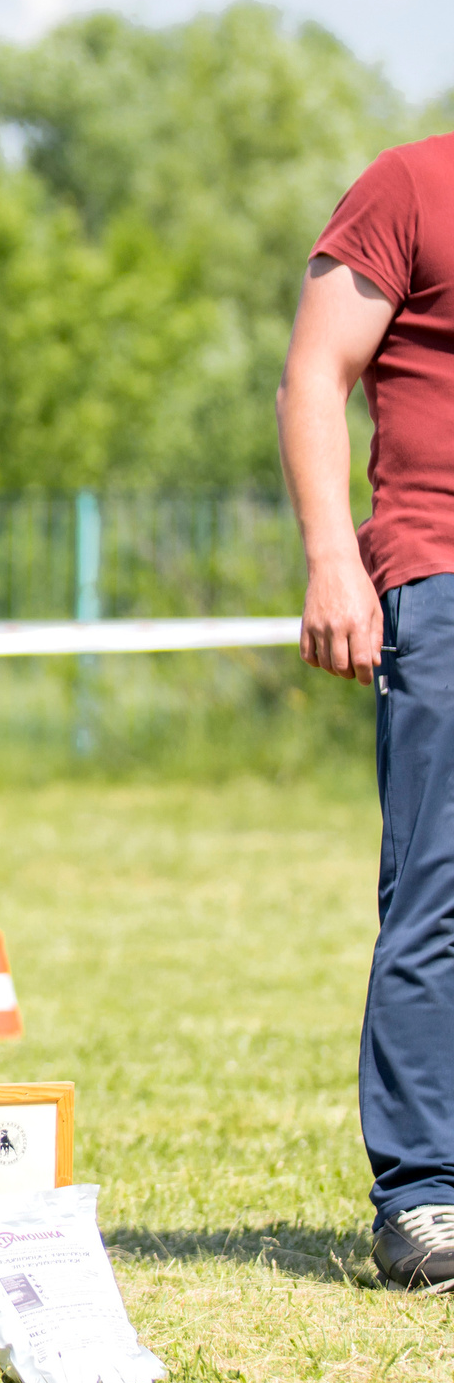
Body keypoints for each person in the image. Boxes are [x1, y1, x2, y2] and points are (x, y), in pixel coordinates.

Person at [282, 131, 454, 1291]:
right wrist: (333, 559)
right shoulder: (409, 185)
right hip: (440, 573)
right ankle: (425, 1195)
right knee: (439, 890)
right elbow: (313, 376)